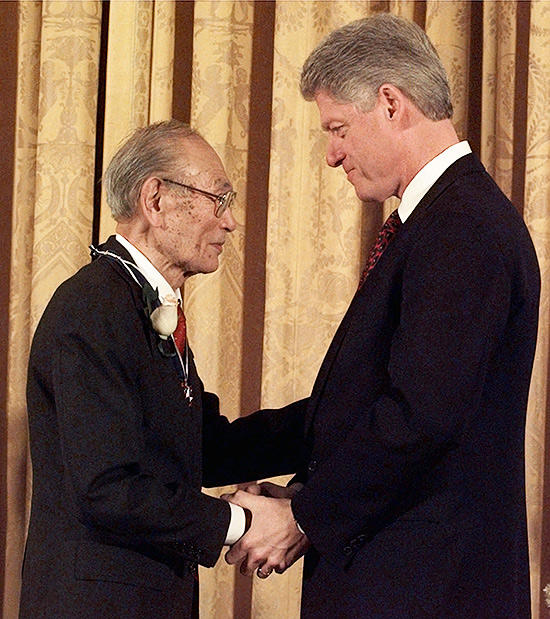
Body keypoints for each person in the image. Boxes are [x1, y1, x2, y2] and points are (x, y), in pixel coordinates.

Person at [224, 13, 540, 618]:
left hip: (426, 591)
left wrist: (304, 515)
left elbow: (420, 417)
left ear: (391, 103)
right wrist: (217, 451)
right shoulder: (439, 223)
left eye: (338, 128)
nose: (331, 155)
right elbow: (363, 405)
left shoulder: (463, 228)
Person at [19, 120, 307, 618]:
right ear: (156, 200)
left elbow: (200, 448)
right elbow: (106, 488)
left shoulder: (137, 302)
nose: (231, 221)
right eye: (218, 198)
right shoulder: (92, 307)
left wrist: (331, 416)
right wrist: (241, 522)